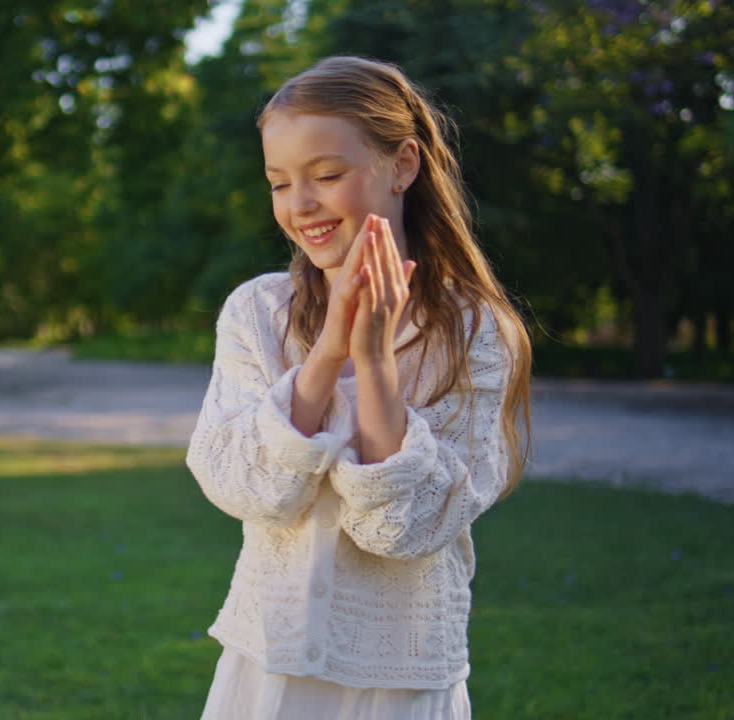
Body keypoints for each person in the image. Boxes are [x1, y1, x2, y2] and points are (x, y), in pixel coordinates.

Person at [187, 56, 532, 719]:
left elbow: (404, 529)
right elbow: (241, 486)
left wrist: (374, 365)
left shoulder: (475, 333)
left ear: (403, 166)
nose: (300, 206)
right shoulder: (257, 314)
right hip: (266, 672)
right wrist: (328, 353)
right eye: (279, 183)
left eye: (326, 176)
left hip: (400, 684)